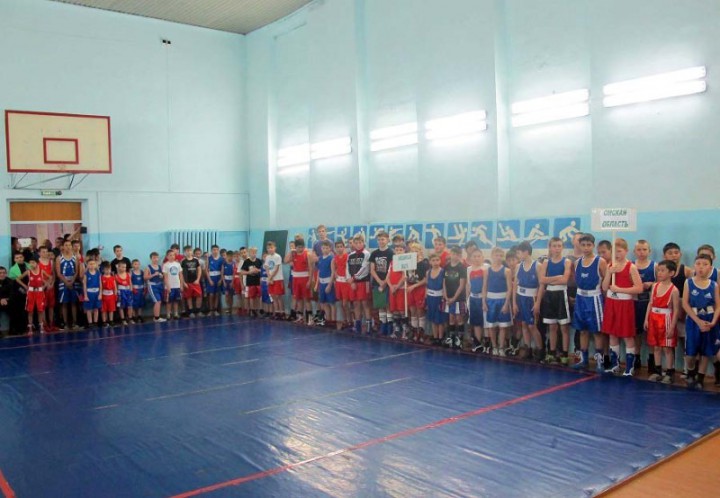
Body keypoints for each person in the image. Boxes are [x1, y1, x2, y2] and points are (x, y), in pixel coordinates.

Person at [602, 238, 644, 376]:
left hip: (625, 304)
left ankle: (629, 367)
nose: (617, 254)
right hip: (611, 303)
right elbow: (604, 287)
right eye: (614, 252)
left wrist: (619, 289)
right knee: (612, 334)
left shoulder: (631, 267)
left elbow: (639, 288)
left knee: (627, 335)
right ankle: (615, 364)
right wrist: (609, 272)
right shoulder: (610, 265)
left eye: (619, 251)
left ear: (626, 251)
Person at [682, 254, 720, 391]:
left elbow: (718, 306)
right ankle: (691, 371)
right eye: (698, 264)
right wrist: (698, 321)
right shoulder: (689, 283)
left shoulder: (714, 285)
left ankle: (700, 378)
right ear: (694, 266)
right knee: (690, 354)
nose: (701, 267)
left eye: (705, 264)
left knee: (705, 351)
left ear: (710, 267)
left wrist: (713, 322)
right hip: (693, 319)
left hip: (709, 319)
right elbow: (685, 303)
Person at [571, 234, 607, 371]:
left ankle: (599, 361)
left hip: (594, 299)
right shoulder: (577, 263)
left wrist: (605, 300)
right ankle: (583, 360)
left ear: (593, 245)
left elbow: (606, 281)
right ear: (579, 246)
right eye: (583, 245)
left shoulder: (600, 261)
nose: (586, 248)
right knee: (582, 331)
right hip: (580, 298)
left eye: (588, 245)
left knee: (597, 331)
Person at [644, 260, 680, 384]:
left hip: (666, 319)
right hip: (654, 317)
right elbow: (650, 303)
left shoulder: (674, 290)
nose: (659, 273)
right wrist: (646, 319)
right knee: (656, 347)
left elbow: (676, 310)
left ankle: (669, 372)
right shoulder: (655, 286)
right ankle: (657, 371)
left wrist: (672, 327)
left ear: (671, 273)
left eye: (663, 270)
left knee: (667, 348)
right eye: (658, 270)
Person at [538, 237, 572, 364]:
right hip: (549, 295)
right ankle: (551, 353)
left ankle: (564, 354)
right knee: (552, 326)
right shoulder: (546, 262)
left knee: (564, 327)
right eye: (554, 246)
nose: (557, 248)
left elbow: (565, 280)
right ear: (550, 247)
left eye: (559, 246)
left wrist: (550, 279)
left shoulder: (566, 262)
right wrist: (557, 277)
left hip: (561, 294)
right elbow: (542, 280)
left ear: (562, 247)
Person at [664, 242, 693, 379]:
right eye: (670, 253)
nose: (674, 255)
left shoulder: (686, 270)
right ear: (665, 255)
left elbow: (692, 292)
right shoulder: (662, 270)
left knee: (684, 339)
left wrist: (683, 308)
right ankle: (671, 368)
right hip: (666, 311)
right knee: (669, 341)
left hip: (682, 310)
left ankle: (688, 369)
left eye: (676, 253)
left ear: (680, 254)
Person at [513, 241, 543, 361]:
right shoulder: (518, 266)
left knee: (532, 326)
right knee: (523, 324)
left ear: (526, 252)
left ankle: (540, 350)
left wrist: (538, 303)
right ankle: (528, 349)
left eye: (519, 253)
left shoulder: (537, 266)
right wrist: (514, 303)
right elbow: (515, 285)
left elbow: (541, 285)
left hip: (531, 298)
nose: (518, 255)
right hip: (520, 297)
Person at [482, 247, 512, 355]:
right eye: (496, 255)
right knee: (491, 326)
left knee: (503, 326)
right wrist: (484, 302)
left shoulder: (507, 271)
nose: (498, 257)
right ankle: (494, 346)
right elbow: (484, 287)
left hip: (502, 300)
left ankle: (501, 347)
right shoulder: (487, 271)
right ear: (492, 256)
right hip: (490, 301)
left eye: (500, 255)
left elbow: (509, 288)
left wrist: (506, 304)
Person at [347, 234, 372, 334]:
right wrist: (349, 280)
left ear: (363, 243)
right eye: (356, 243)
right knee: (356, 304)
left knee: (365, 304)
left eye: (360, 242)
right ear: (353, 244)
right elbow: (347, 268)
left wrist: (353, 278)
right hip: (353, 283)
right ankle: (357, 326)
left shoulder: (367, 254)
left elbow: (364, 269)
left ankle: (369, 327)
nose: (358, 245)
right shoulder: (350, 255)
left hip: (363, 282)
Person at [369, 231, 393, 335]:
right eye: (379, 240)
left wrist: (385, 282)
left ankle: (390, 327)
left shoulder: (391, 253)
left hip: (388, 282)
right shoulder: (374, 253)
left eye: (383, 239)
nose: (381, 241)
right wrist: (379, 281)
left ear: (387, 240)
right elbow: (372, 270)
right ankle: (383, 325)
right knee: (380, 305)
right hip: (377, 282)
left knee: (388, 305)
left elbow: (392, 270)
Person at [285, 240, 314, 324]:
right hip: (296, 279)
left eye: (302, 247)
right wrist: (291, 251)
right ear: (295, 247)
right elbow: (285, 261)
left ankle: (310, 319)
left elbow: (311, 268)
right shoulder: (293, 254)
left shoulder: (307, 254)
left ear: (304, 247)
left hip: (305, 278)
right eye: (298, 247)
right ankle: (300, 317)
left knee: (307, 299)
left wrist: (310, 280)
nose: (300, 249)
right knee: (298, 299)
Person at [16, 257, 47, 335]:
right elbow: (17, 279)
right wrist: (25, 286)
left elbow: (50, 278)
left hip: (39, 292)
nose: (31, 264)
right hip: (31, 292)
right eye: (30, 263)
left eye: (33, 262)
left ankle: (41, 327)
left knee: (40, 310)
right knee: (30, 311)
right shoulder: (28, 272)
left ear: (37, 263)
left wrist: (44, 286)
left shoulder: (41, 271)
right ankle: (30, 328)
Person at [406, 242, 429, 342]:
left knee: (420, 311)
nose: (414, 253)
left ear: (420, 252)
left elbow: (426, 279)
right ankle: (414, 331)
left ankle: (422, 332)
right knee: (412, 310)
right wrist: (406, 279)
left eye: (416, 251)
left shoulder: (424, 264)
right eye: (412, 251)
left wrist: (414, 286)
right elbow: (408, 276)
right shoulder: (408, 264)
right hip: (410, 288)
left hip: (419, 288)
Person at [386, 242, 408, 339]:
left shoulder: (405, 261)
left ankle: (405, 331)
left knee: (402, 311)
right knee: (394, 310)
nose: (398, 251)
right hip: (392, 289)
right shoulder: (392, 262)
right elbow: (387, 276)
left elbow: (404, 276)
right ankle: (396, 331)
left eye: (401, 250)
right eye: (397, 250)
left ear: (404, 251)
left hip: (401, 289)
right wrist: (391, 286)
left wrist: (397, 286)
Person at [56, 240, 79, 330]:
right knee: (64, 303)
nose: (68, 247)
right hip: (63, 282)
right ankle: (65, 323)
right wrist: (66, 282)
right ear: (63, 246)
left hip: (73, 282)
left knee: (74, 303)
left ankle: (75, 322)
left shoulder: (75, 257)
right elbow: (58, 273)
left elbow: (76, 271)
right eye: (66, 245)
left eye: (69, 245)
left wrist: (72, 281)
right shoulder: (59, 258)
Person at [466, 249, 486, 353]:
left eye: (479, 256)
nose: (477, 258)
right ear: (471, 258)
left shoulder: (486, 268)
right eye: (474, 256)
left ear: (482, 257)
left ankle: (487, 343)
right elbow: (468, 285)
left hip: (484, 299)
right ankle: (478, 344)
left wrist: (485, 300)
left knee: (486, 322)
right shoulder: (469, 269)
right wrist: (467, 299)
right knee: (476, 322)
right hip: (473, 298)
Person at [425, 254, 447, 346]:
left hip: (439, 298)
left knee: (440, 320)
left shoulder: (443, 272)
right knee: (433, 319)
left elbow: (444, 286)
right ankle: (435, 337)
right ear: (430, 262)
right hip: (430, 298)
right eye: (433, 260)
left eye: (437, 260)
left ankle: (440, 338)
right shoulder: (428, 272)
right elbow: (426, 285)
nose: (435, 262)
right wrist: (425, 299)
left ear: (440, 261)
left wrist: (444, 298)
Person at [315, 240, 336, 327]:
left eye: (327, 248)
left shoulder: (331, 258)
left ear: (330, 249)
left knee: (331, 303)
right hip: (321, 283)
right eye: (324, 248)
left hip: (328, 283)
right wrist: (316, 284)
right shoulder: (319, 258)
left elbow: (333, 272)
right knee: (323, 303)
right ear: (321, 249)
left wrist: (330, 285)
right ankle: (327, 320)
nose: (325, 250)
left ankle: (333, 321)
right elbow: (319, 272)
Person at [333, 240, 352, 330]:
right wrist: (335, 273)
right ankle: (345, 320)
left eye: (341, 247)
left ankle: (350, 320)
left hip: (346, 282)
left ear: (344, 247)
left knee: (345, 304)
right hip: (338, 282)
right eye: (337, 247)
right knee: (341, 303)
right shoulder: (335, 257)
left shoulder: (347, 256)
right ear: (335, 248)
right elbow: (334, 267)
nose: (339, 248)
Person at [38, 246, 57, 331]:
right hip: (42, 287)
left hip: (50, 286)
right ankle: (44, 324)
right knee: (43, 307)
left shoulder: (51, 262)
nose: (45, 253)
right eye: (43, 252)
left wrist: (52, 283)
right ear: (39, 253)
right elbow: (38, 275)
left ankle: (51, 323)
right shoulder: (37, 262)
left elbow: (53, 274)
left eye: (46, 251)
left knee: (51, 306)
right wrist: (46, 284)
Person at [264, 242, 285, 319]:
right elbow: (266, 268)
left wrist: (270, 278)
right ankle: (277, 312)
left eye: (271, 248)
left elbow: (276, 269)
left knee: (278, 296)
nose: (270, 249)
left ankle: (282, 313)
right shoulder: (267, 257)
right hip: (271, 279)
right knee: (273, 296)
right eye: (268, 248)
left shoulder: (277, 256)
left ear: (275, 248)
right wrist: (269, 278)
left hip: (278, 279)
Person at [240, 247, 263, 317]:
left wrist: (258, 270)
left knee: (258, 296)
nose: (254, 253)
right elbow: (242, 272)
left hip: (258, 282)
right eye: (252, 252)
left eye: (255, 252)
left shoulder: (259, 261)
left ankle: (257, 309)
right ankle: (252, 310)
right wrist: (249, 272)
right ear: (249, 253)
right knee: (251, 297)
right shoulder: (246, 261)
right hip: (250, 282)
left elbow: (263, 270)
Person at [181, 245, 203, 317]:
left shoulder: (196, 260)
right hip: (187, 282)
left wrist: (198, 279)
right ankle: (191, 312)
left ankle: (198, 310)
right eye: (187, 251)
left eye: (190, 250)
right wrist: (184, 282)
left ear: (192, 251)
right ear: (184, 252)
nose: (189, 252)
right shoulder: (183, 261)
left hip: (195, 281)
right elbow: (181, 273)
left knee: (199, 295)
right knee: (189, 297)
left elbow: (199, 270)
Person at [145, 252, 166, 322]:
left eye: (157, 258)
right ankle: (156, 318)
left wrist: (161, 276)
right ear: (151, 259)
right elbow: (145, 277)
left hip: (160, 285)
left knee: (159, 301)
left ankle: (157, 317)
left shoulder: (160, 267)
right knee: (157, 301)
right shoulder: (148, 267)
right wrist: (154, 274)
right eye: (154, 258)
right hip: (152, 285)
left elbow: (162, 276)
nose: (156, 259)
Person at [162, 250, 183, 320]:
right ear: (167, 256)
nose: (172, 256)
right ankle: (168, 314)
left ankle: (176, 313)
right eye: (170, 255)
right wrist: (167, 286)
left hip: (177, 285)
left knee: (176, 301)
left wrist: (181, 285)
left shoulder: (178, 264)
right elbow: (165, 277)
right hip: (170, 286)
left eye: (173, 255)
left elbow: (180, 275)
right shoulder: (165, 265)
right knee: (169, 301)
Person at [82, 257, 102, 328]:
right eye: (90, 264)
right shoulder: (86, 274)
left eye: (93, 264)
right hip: (89, 293)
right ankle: (90, 323)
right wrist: (85, 295)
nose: (92, 265)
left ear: (96, 265)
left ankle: (95, 322)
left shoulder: (98, 273)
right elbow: (84, 285)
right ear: (87, 265)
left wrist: (100, 294)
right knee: (89, 309)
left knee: (96, 308)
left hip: (97, 292)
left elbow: (100, 284)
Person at [206, 245, 223, 316]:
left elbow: (222, 270)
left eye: (216, 250)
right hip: (211, 277)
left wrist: (221, 279)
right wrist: (209, 280)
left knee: (217, 294)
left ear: (218, 250)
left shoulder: (221, 259)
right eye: (214, 250)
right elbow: (206, 270)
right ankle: (211, 310)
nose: (215, 251)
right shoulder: (209, 258)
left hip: (218, 277)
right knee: (211, 294)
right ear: (211, 250)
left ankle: (215, 309)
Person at [100, 261, 117, 327]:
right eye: (106, 269)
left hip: (111, 296)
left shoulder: (112, 277)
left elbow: (115, 287)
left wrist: (115, 294)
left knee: (111, 309)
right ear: (103, 270)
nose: (108, 271)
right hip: (104, 296)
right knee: (103, 310)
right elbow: (101, 287)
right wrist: (101, 295)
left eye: (109, 269)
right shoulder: (101, 277)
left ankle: (111, 321)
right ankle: (104, 321)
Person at [222, 250, 236, 315]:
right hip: (226, 281)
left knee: (231, 296)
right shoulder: (224, 263)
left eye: (232, 256)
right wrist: (224, 282)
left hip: (231, 281)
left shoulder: (233, 263)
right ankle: (228, 307)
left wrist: (232, 282)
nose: (230, 258)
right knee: (226, 295)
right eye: (229, 256)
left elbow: (234, 273)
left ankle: (230, 308)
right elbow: (222, 273)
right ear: (227, 256)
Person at [0, 267, 11, 336]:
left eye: (4, 273)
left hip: (8, 303)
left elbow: (13, 294)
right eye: (0, 273)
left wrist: (6, 299)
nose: (2, 274)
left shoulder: (10, 282)